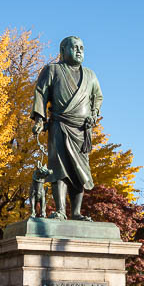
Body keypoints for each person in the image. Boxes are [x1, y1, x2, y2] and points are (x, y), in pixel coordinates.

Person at [31, 36, 102, 220]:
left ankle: (77, 212)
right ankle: (61, 210)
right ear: (62, 51)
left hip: (81, 129)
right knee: (59, 169)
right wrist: (39, 119)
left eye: (81, 48)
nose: (79, 51)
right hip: (59, 125)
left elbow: (97, 97)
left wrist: (93, 115)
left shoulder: (90, 75)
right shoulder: (52, 70)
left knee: (80, 170)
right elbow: (41, 92)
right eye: (74, 47)